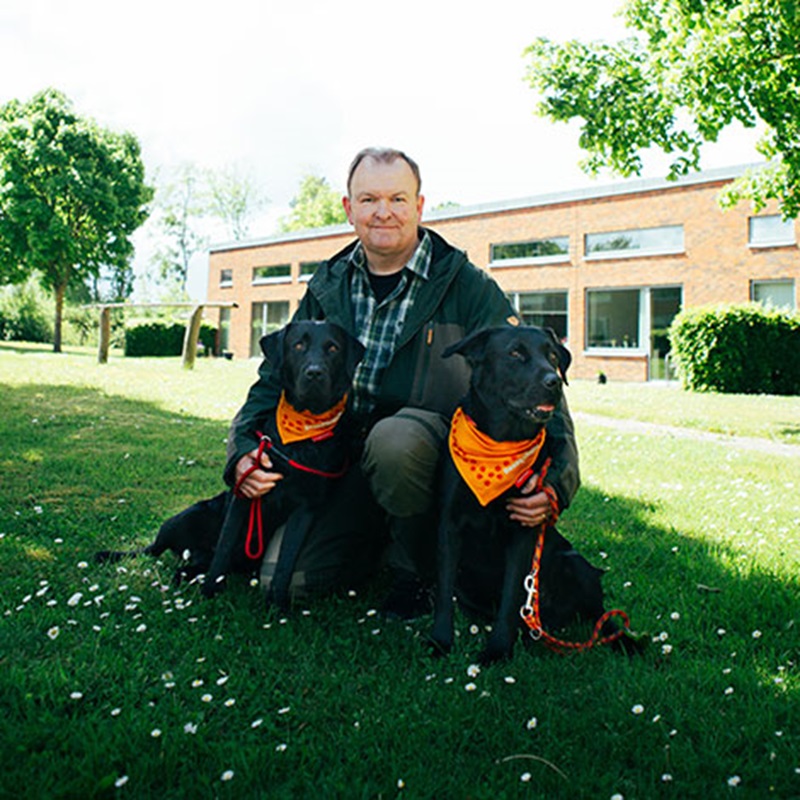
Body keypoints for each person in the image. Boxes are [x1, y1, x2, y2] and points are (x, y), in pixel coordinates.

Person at [224, 147, 579, 619]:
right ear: (349, 209)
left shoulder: (468, 286)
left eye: (397, 198)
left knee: (396, 441)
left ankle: (418, 573)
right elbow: (273, 380)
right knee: (287, 583)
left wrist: (555, 484)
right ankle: (377, 542)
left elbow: (537, 384)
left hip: (430, 456)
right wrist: (241, 449)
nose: (383, 212)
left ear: (419, 205)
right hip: (342, 459)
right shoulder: (327, 284)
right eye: (368, 199)